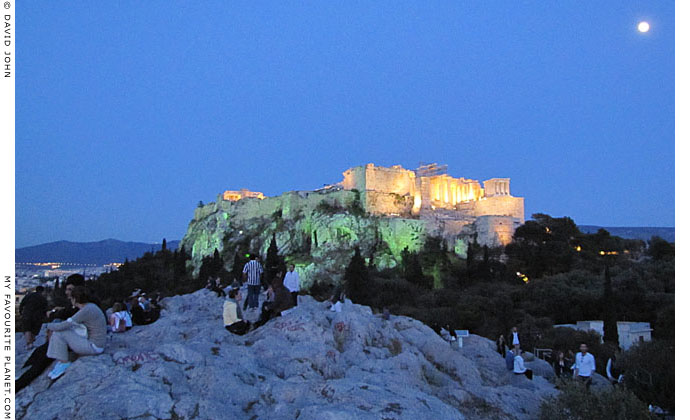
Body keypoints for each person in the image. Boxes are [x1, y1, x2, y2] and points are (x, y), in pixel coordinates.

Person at [45, 286, 107, 380]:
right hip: (96, 344)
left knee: (60, 333)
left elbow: (65, 325)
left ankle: (64, 363)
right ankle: (61, 361)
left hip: (93, 346)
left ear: (74, 299)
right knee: (62, 331)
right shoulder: (91, 307)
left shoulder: (86, 310)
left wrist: (47, 325)